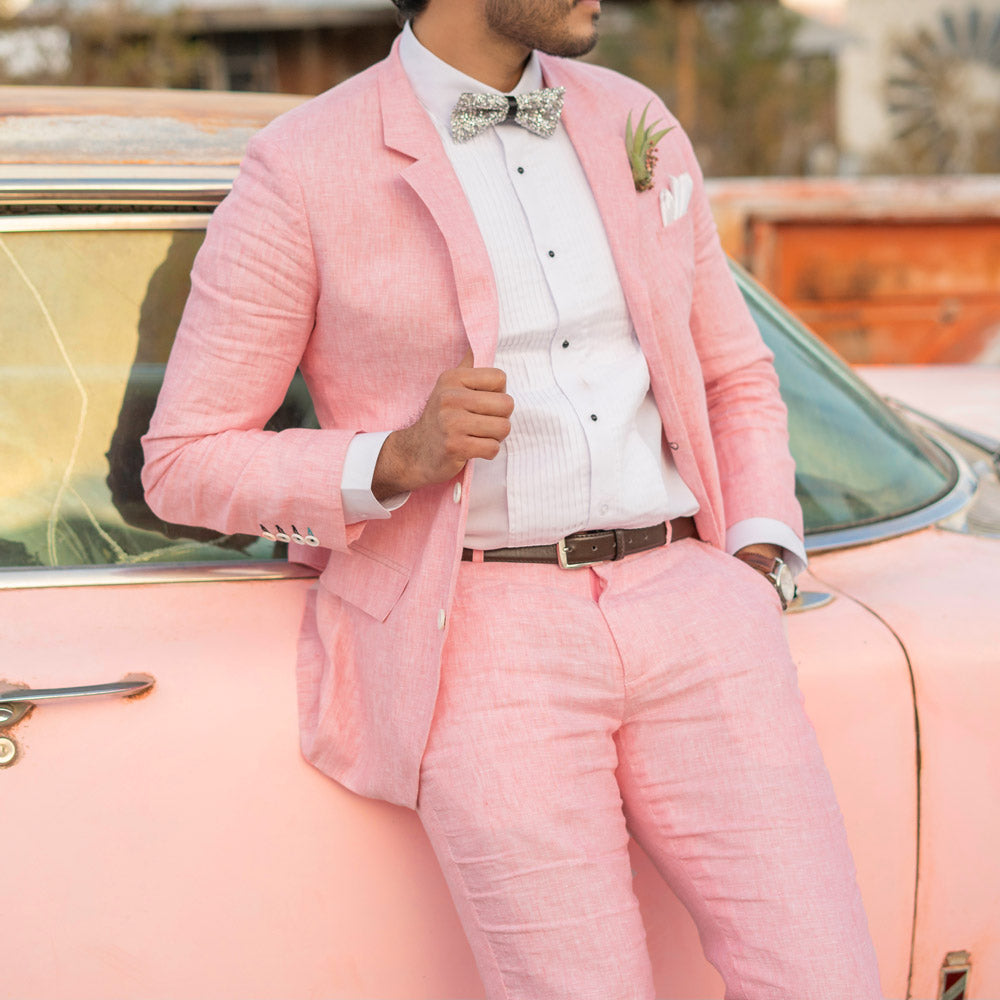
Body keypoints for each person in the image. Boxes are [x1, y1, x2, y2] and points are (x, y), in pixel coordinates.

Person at [142, 1, 884, 997]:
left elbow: (730, 374)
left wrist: (758, 559)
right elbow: (184, 458)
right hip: (479, 636)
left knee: (826, 975)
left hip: (697, 607)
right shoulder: (303, 164)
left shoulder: (635, 120)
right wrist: (391, 458)